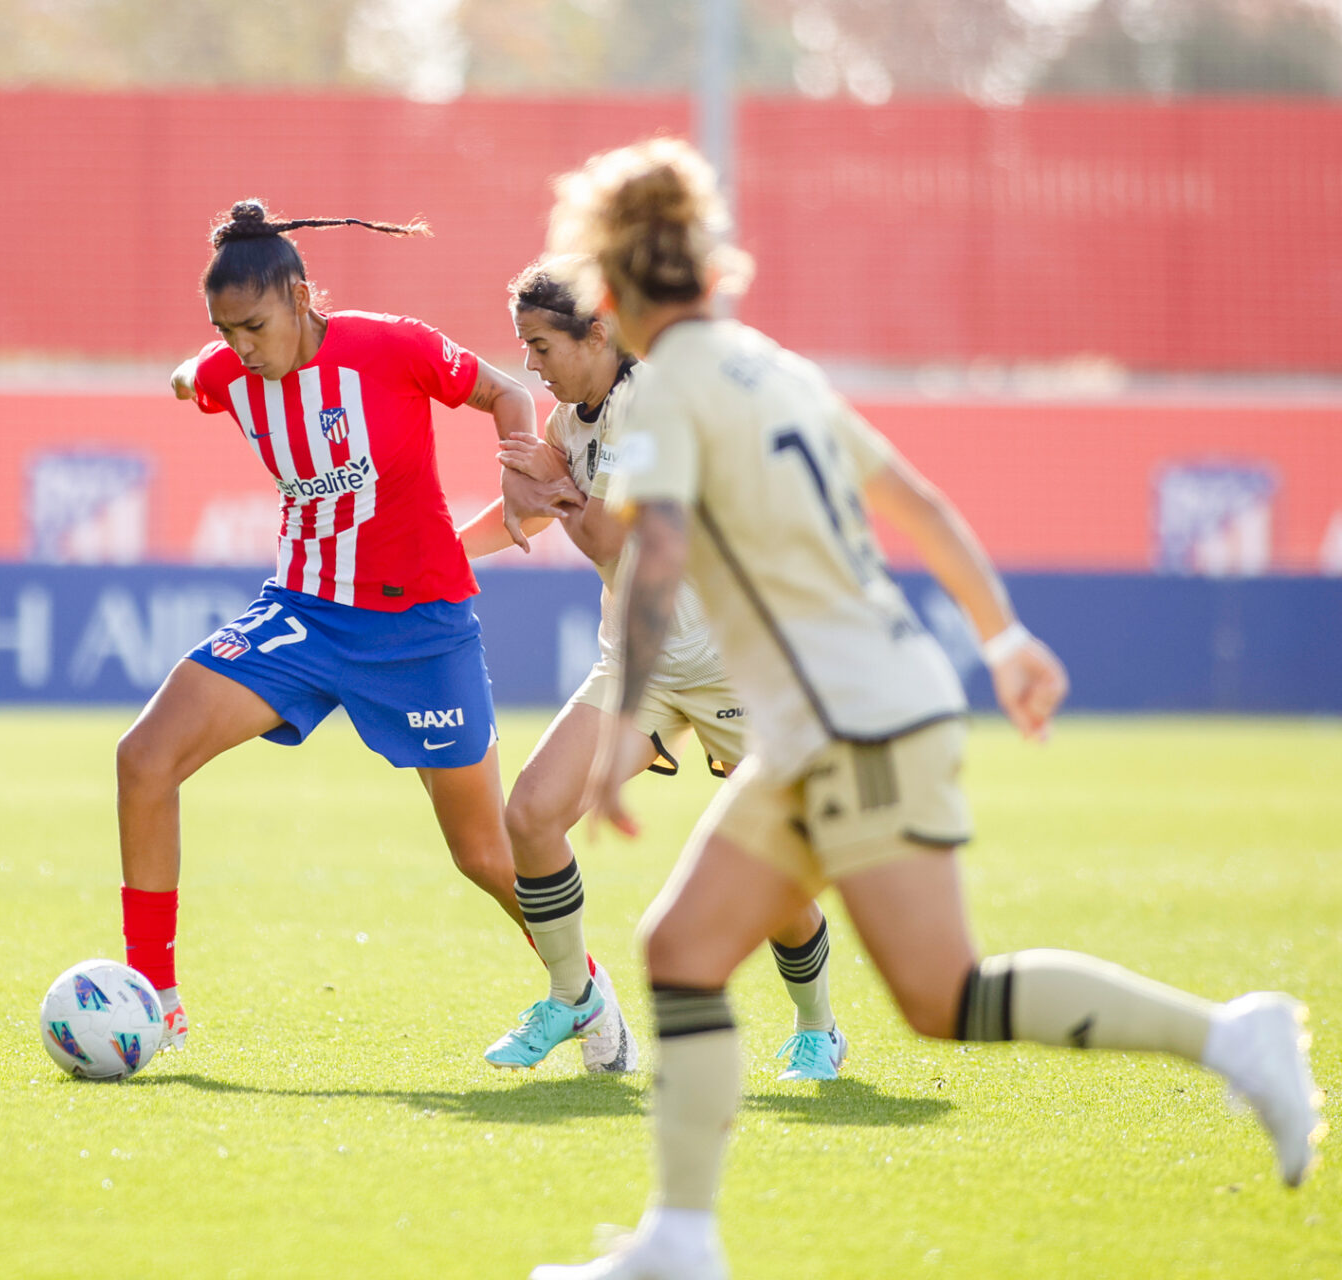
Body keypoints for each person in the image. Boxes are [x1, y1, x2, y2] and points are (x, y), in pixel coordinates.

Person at [531, 139, 1324, 1279]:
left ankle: (1233, 1036)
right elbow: (919, 500)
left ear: (607, 292)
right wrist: (1000, 632)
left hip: (852, 718)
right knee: (686, 946)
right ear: (712, 270)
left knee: (944, 991)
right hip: (845, 712)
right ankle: (680, 1242)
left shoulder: (669, 396)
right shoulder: (774, 370)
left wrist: (616, 736)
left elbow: (653, 559)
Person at [117, 199, 597, 1054]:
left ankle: (583, 993)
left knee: (485, 856)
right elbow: (201, 374)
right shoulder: (231, 371)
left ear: (302, 298)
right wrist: (193, 371)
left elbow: (506, 390)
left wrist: (523, 470)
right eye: (226, 333)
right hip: (302, 613)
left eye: (255, 327)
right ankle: (153, 993)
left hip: (420, 628)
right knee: (145, 759)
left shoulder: (391, 346)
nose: (244, 350)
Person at [455, 258, 846, 1081]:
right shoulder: (573, 419)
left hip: (731, 665)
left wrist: (556, 491)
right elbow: (528, 504)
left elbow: (611, 541)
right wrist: (444, 554)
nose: (531, 366)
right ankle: (573, 998)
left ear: (597, 332)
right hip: (638, 666)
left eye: (540, 345)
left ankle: (818, 1026)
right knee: (529, 814)